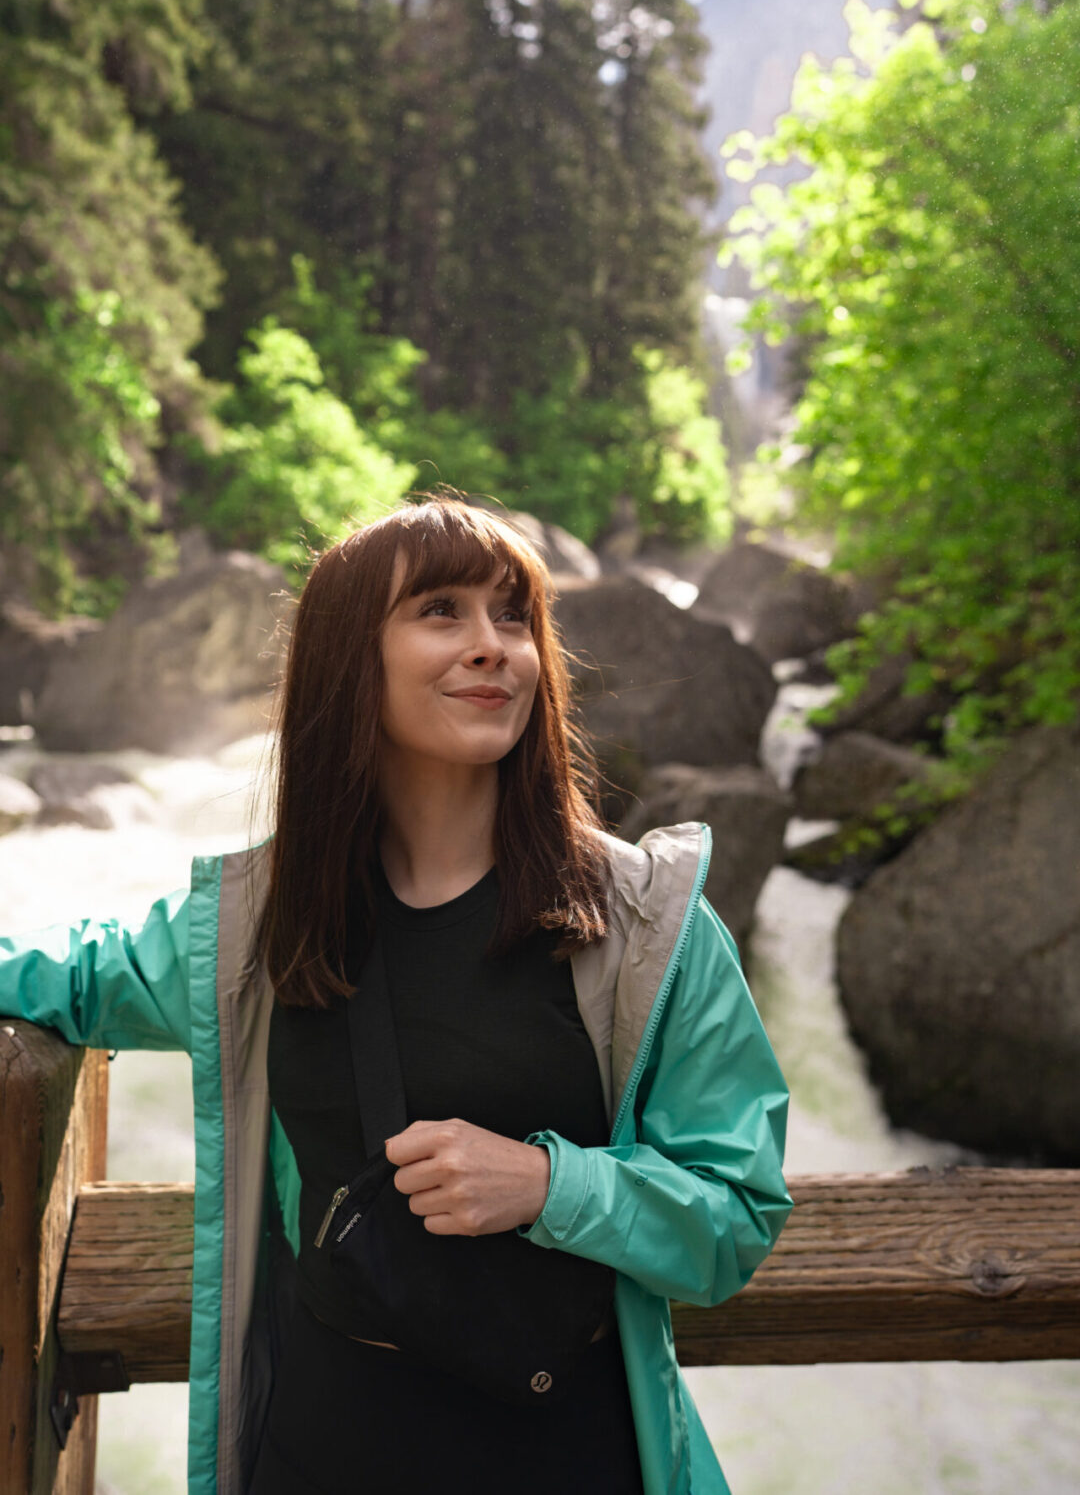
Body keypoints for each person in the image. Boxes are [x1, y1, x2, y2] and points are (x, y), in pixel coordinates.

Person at [0, 497, 792, 1495]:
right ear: (347, 659)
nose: (490, 647)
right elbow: (70, 972)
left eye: (513, 617)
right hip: (320, 1453)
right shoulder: (259, 923)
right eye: (441, 612)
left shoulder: (642, 924)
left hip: (562, 1458)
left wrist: (549, 1186)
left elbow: (734, 1214)